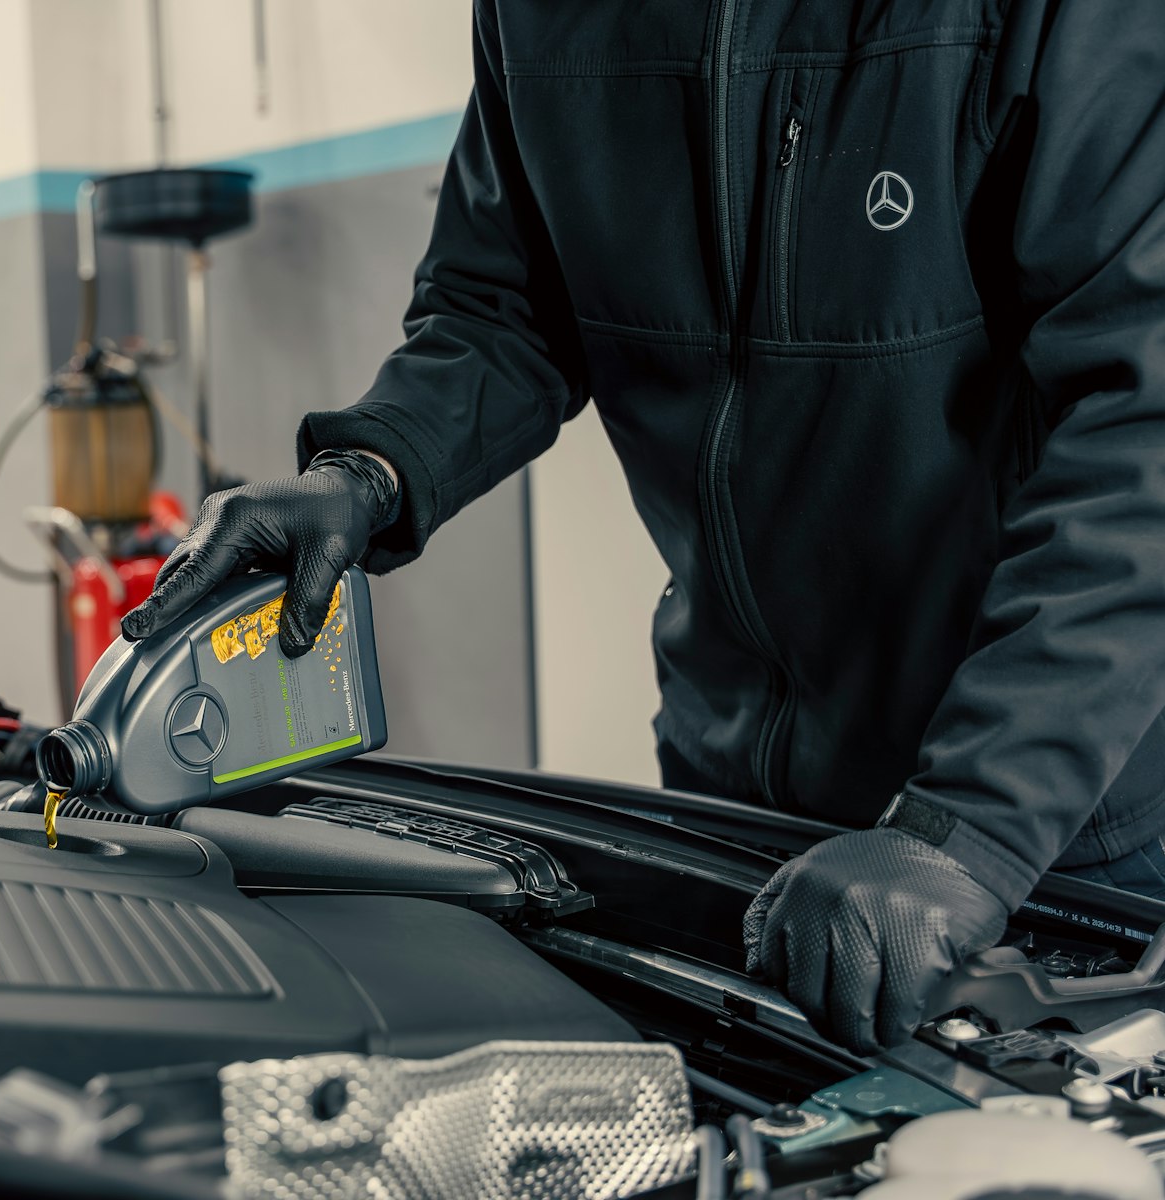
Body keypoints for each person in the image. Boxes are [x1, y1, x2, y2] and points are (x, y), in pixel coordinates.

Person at [119, 1, 1165, 1056]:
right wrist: (371, 470)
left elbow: (1146, 425)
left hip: (1045, 818)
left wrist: (967, 830)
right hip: (733, 803)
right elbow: (503, 306)